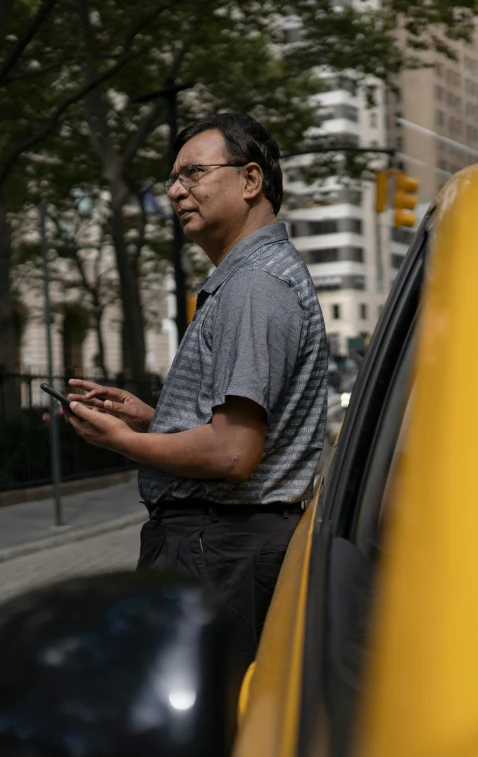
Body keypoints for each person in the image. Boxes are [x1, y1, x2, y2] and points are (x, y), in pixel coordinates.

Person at [66, 113, 328, 669]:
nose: (175, 190)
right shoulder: (249, 278)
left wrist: (123, 442)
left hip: (219, 551)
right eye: (172, 178)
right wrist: (152, 418)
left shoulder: (255, 284)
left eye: (193, 173)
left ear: (250, 181)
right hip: (221, 548)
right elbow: (243, 431)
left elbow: (233, 453)